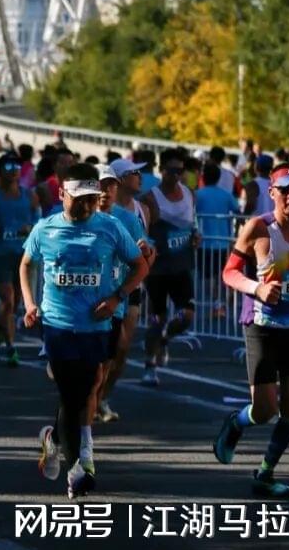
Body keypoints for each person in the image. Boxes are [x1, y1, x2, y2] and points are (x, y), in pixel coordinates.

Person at [20, 163, 144, 500]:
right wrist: (30, 303)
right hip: (57, 326)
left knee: (87, 390)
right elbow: (27, 263)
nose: (87, 205)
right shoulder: (45, 228)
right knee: (72, 396)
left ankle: (55, 442)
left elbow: (140, 264)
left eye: (91, 199)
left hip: (95, 326)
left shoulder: (111, 227)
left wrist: (118, 295)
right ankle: (79, 469)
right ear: (62, 194)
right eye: (80, 199)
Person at [214, 162, 289, 499]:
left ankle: (265, 473)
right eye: (284, 190)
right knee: (264, 410)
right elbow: (229, 273)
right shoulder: (258, 228)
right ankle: (236, 423)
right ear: (272, 193)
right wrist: (256, 289)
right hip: (262, 325)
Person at [95, 157, 152, 422]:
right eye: (101, 186)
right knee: (92, 353)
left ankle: (100, 398)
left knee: (120, 348)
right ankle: (89, 400)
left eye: (110, 186)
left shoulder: (129, 218)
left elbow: (146, 254)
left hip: (124, 289)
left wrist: (145, 251)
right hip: (91, 294)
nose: (107, 192)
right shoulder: (81, 214)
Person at [140, 148, 198, 384]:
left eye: (180, 171)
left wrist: (195, 236)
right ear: (161, 171)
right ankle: (149, 365)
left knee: (186, 316)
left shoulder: (189, 194)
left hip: (182, 265)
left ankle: (165, 339)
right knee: (157, 318)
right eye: (172, 171)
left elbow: (192, 224)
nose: (177, 176)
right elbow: (141, 232)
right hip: (158, 269)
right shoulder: (149, 199)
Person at [0, 153, 38, 364]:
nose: (14, 170)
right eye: (8, 167)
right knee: (8, 299)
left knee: (14, 305)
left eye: (17, 166)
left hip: (23, 256)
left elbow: (38, 219)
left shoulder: (29, 196)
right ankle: (11, 348)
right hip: (0, 254)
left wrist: (30, 227)